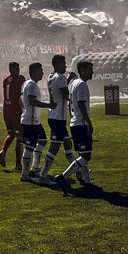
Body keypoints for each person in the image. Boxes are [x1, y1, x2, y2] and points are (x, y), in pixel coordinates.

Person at [54, 61, 94, 190]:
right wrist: (88, 123)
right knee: (86, 156)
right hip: (81, 124)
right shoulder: (81, 84)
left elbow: (71, 103)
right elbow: (81, 105)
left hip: (75, 122)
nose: (92, 72)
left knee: (84, 154)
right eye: (89, 69)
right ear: (82, 70)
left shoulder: (73, 83)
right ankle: (63, 177)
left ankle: (88, 183)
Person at [38, 54, 77, 183]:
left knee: (67, 143)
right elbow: (65, 95)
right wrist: (72, 85)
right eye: (64, 63)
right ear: (58, 64)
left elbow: (59, 90)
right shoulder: (60, 77)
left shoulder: (51, 76)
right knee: (55, 147)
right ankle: (43, 175)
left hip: (54, 116)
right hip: (57, 118)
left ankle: (78, 171)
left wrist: (68, 79)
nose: (65, 66)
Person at [19, 62, 57, 182]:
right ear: (34, 71)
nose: (43, 72)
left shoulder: (28, 84)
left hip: (33, 120)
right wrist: (48, 105)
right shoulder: (31, 85)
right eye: (40, 70)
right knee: (30, 146)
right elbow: (31, 101)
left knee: (43, 141)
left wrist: (25, 111)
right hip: (30, 122)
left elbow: (21, 100)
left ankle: (34, 168)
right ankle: (25, 175)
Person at [0, 62, 25, 170]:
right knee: (20, 136)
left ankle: (3, 151)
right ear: (12, 70)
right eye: (17, 68)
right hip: (15, 111)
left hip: (6, 110)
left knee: (11, 134)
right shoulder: (20, 79)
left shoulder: (6, 80)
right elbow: (22, 95)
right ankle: (18, 164)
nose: (18, 70)